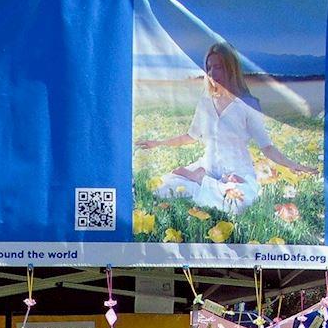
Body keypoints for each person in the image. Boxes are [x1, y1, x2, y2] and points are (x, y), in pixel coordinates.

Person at [135, 42, 317, 214]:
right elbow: (190, 136)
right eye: (209, 68)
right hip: (208, 167)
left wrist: (293, 165)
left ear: (231, 69)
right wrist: (157, 143)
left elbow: (267, 147)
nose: (212, 73)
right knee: (164, 189)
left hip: (237, 174)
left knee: (238, 202)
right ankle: (204, 181)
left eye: (218, 67)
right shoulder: (205, 103)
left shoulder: (248, 104)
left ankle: (201, 180)